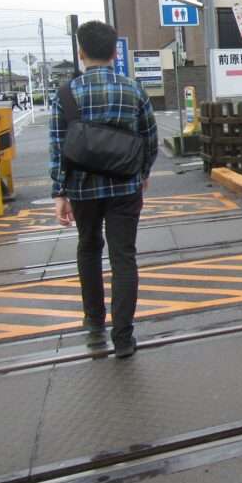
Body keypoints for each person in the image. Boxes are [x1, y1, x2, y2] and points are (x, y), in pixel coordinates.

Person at [49, 21, 158, 358]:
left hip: (81, 186)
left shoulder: (66, 94)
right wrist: (142, 172)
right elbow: (150, 138)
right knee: (123, 256)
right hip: (125, 185)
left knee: (88, 246)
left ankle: (94, 319)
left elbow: (57, 146)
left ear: (81, 53)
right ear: (114, 52)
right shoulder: (133, 90)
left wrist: (60, 193)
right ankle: (123, 337)